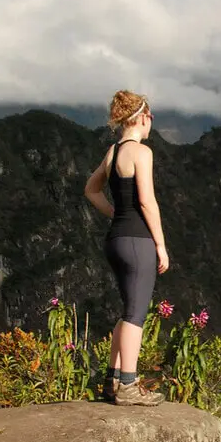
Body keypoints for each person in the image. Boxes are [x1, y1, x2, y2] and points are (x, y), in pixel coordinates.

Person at [84, 90, 169, 406]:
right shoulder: (141, 153)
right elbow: (147, 200)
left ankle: (113, 380)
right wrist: (161, 245)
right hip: (138, 241)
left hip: (116, 240)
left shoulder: (113, 152)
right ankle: (129, 385)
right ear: (144, 118)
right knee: (136, 314)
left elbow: (91, 190)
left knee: (128, 309)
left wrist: (115, 213)